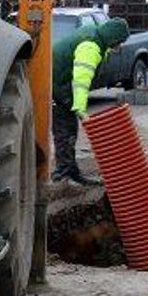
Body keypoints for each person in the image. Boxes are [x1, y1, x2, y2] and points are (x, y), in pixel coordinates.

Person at [51, 16, 131, 184]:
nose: (119, 46)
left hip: (60, 82)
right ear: (113, 38)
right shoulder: (91, 47)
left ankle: (70, 171)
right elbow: (81, 80)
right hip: (56, 84)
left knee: (69, 129)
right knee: (64, 131)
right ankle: (63, 175)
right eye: (119, 42)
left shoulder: (95, 35)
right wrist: (80, 109)